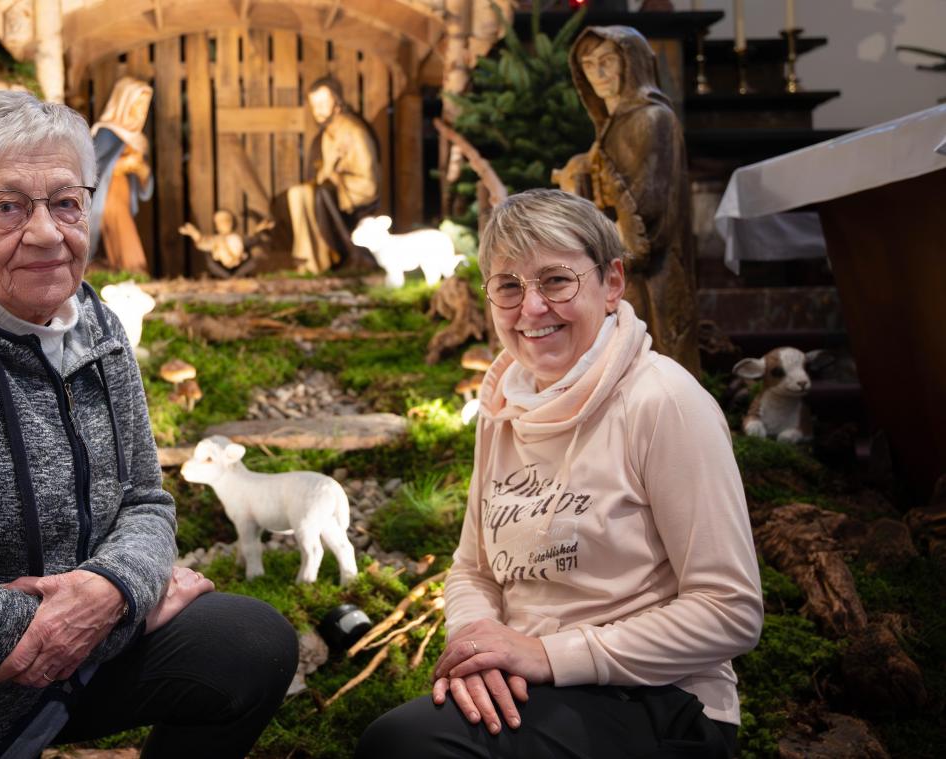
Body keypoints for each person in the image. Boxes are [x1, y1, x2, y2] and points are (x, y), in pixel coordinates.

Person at [0, 89, 297, 757]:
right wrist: (135, 604)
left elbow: (147, 501)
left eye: (66, 202)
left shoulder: (92, 324)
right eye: (7, 206)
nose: (45, 232)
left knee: (250, 644)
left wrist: (111, 587)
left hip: (62, 666)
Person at [357, 189, 762, 758]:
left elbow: (730, 611)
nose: (531, 308)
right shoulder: (504, 404)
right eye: (508, 287)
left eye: (555, 281)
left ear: (612, 281)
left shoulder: (662, 401)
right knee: (397, 740)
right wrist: (480, 654)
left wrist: (547, 656)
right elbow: (473, 571)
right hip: (534, 685)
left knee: (407, 746)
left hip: (662, 701)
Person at [552, 26, 701, 376]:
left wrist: (600, 241)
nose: (598, 74)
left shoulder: (651, 118)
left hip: (648, 265)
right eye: (589, 65)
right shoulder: (613, 124)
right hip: (618, 262)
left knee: (658, 359)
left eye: (607, 61)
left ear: (631, 64)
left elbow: (646, 207)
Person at [285, 76, 380, 274]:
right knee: (298, 193)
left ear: (336, 101)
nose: (317, 110)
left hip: (356, 190)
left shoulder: (354, 130)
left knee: (322, 193)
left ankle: (339, 254)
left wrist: (336, 176)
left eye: (322, 103)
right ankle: (309, 258)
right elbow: (322, 173)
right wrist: (328, 168)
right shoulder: (328, 133)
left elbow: (369, 181)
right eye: (314, 104)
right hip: (334, 185)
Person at [89, 77, 154, 274]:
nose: (141, 111)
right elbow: (92, 168)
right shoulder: (107, 133)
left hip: (122, 195)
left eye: (144, 106)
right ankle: (135, 272)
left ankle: (126, 274)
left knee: (119, 236)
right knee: (123, 237)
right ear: (123, 103)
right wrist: (122, 164)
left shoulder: (136, 139)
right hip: (107, 196)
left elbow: (143, 188)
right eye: (136, 105)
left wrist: (143, 171)